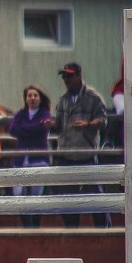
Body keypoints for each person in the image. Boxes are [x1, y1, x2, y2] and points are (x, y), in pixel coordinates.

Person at [44, 62, 109, 229]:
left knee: (96, 199)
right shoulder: (63, 100)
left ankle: (104, 231)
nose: (66, 79)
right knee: (67, 199)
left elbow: (103, 121)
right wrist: (52, 124)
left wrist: (88, 124)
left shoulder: (93, 98)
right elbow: (59, 125)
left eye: (70, 75)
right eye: (64, 76)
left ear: (79, 75)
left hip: (86, 154)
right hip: (65, 155)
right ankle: (71, 231)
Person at [8, 85, 52, 229]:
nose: (32, 98)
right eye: (29, 96)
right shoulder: (20, 114)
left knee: (36, 196)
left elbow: (42, 128)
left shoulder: (45, 113)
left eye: (35, 95)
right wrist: (33, 128)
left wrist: (24, 129)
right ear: (25, 99)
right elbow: (12, 130)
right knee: (18, 194)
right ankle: (26, 225)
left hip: (38, 160)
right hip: (21, 159)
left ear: (40, 98)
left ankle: (35, 226)